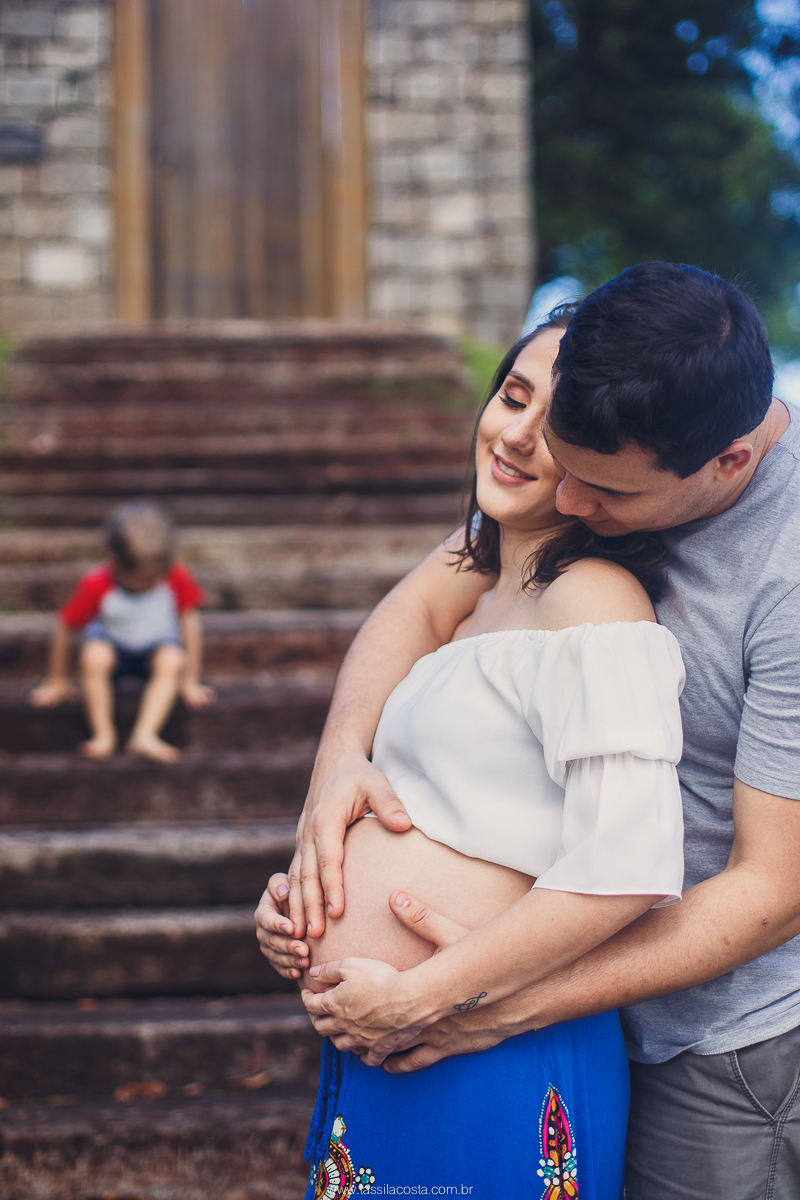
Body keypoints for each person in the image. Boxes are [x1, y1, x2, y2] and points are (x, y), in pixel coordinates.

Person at [257, 262, 800, 1199]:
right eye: (532, 417)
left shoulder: (743, 580)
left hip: (722, 1037)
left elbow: (769, 886)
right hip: (485, 1008)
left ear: (728, 462)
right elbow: (420, 603)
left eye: (607, 493)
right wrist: (334, 789)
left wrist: (464, 997)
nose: (575, 503)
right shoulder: (605, 448)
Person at [30, 499, 214, 762]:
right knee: (94, 655)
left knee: (173, 659)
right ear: (114, 562)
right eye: (142, 580)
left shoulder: (175, 575)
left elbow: (190, 622)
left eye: (155, 579)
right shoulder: (98, 583)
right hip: (113, 646)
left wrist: (190, 678)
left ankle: (145, 733)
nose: (149, 585)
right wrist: (57, 678)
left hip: (155, 646)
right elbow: (65, 624)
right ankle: (103, 733)